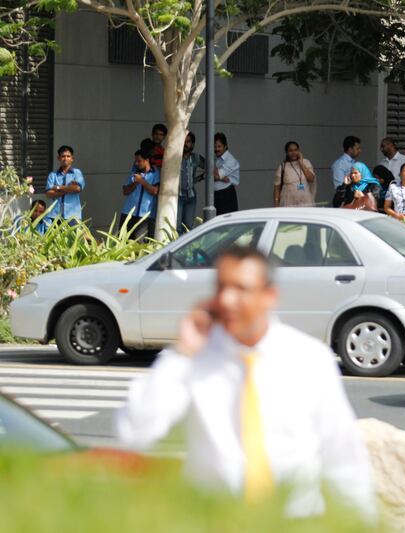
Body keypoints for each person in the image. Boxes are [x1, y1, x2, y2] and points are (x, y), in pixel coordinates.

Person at [115, 246, 376, 519]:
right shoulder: (193, 360)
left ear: (269, 295)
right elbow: (134, 433)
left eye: (241, 289)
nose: (227, 300)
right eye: (221, 288)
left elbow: (343, 459)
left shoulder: (309, 359)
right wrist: (182, 353)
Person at [121, 148, 160, 239]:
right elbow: (125, 191)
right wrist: (135, 183)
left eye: (139, 161)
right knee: (124, 240)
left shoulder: (154, 173)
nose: (136, 163)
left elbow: (155, 191)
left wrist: (142, 181)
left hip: (145, 215)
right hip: (128, 212)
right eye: (135, 161)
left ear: (147, 160)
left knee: (139, 242)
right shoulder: (134, 172)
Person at [46, 145, 85, 224]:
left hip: (73, 215)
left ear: (72, 159)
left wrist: (57, 187)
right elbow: (49, 194)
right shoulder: (52, 175)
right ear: (58, 158)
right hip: (55, 215)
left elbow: (77, 188)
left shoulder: (77, 173)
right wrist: (69, 189)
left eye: (68, 156)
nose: (65, 158)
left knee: (73, 236)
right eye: (63, 156)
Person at [177, 132, 205, 234]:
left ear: (192, 144)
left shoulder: (196, 157)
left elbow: (210, 167)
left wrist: (200, 178)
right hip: (177, 197)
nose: (185, 144)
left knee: (188, 228)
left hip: (191, 197)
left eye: (188, 141)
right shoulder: (175, 157)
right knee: (177, 227)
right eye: (184, 141)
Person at [274, 141, 316, 208]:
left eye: (295, 150)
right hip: (289, 202)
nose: (293, 153)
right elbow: (277, 188)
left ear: (299, 151)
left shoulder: (306, 162)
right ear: (287, 152)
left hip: (305, 202)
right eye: (290, 151)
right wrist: (276, 205)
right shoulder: (282, 166)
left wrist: (301, 163)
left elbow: (311, 179)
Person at [213, 133, 240, 215]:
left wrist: (217, 175)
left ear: (225, 146)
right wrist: (222, 178)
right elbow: (215, 175)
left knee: (227, 224)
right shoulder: (217, 158)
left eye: (219, 146)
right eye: (215, 146)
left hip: (226, 196)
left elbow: (216, 176)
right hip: (217, 195)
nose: (216, 149)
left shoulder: (230, 160)